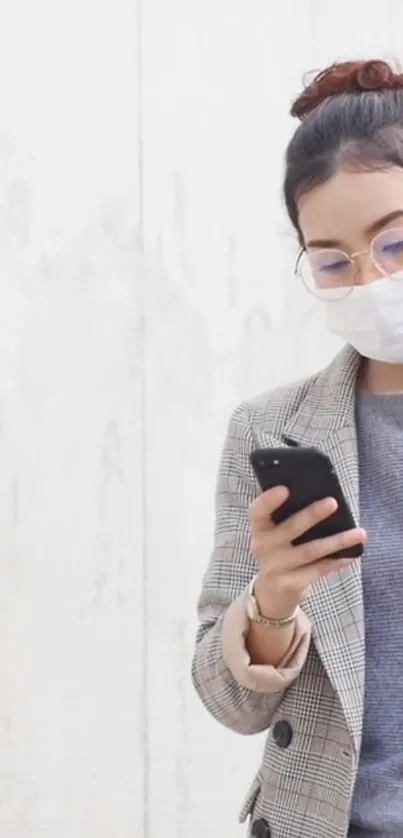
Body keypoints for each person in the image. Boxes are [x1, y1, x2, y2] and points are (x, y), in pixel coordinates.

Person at [191, 58, 403, 838]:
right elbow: (228, 700)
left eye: (395, 242)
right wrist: (273, 596)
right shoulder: (272, 428)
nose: (370, 279)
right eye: (332, 259)